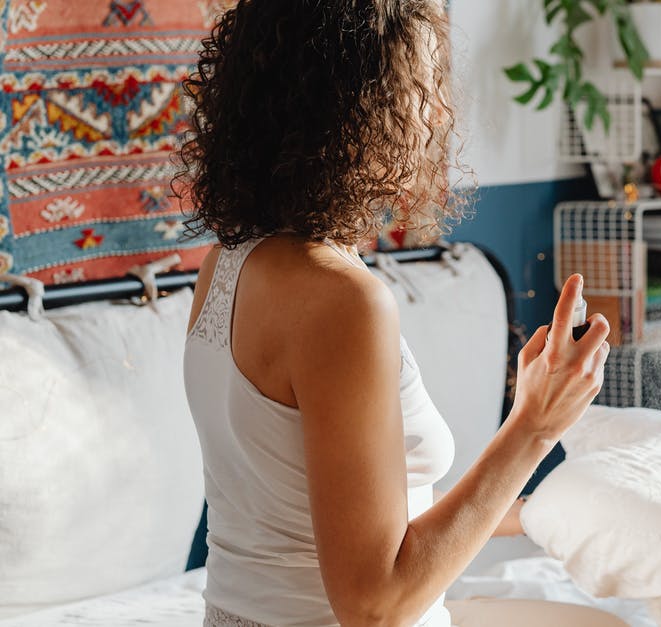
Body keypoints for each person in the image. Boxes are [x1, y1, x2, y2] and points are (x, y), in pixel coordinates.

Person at [178, 1, 618, 625]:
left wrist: (541, 512)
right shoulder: (341, 302)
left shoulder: (227, 263)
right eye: (422, 86)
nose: (437, 114)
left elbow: (324, 514)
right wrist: (534, 428)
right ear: (352, 106)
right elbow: (374, 604)